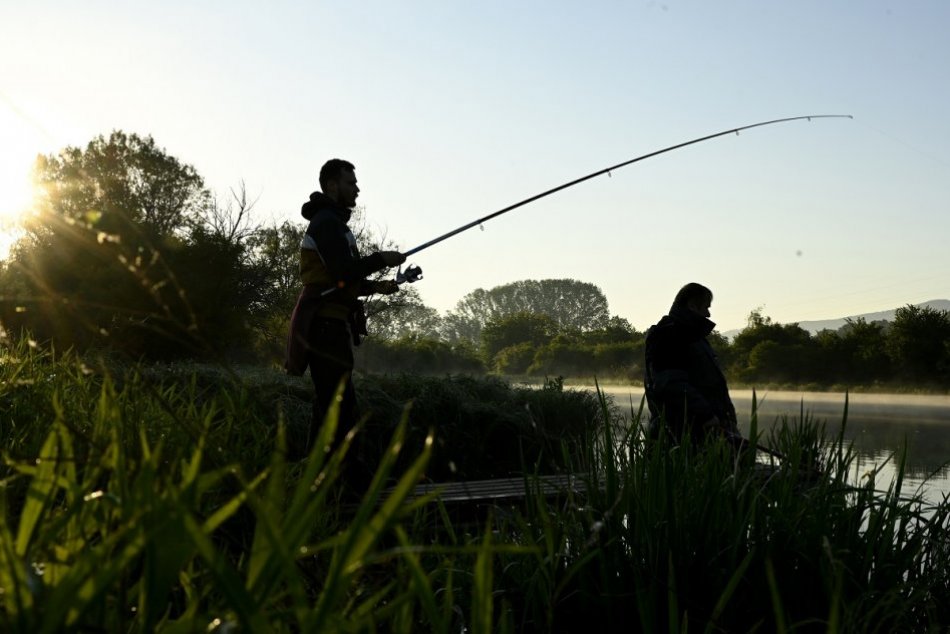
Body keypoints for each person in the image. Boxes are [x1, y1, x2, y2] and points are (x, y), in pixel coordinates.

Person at [285, 158, 406, 456]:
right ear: (332, 185)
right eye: (350, 183)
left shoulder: (335, 224)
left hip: (330, 328)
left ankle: (319, 474)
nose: (357, 189)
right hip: (325, 330)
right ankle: (338, 476)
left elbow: (341, 281)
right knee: (338, 409)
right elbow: (343, 272)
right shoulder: (327, 222)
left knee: (331, 406)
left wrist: (376, 286)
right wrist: (380, 259)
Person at [643, 283, 741, 447]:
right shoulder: (668, 335)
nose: (708, 314)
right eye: (706, 307)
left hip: (708, 433)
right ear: (692, 305)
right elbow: (670, 384)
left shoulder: (695, 337)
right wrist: (706, 416)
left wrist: (727, 422)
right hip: (684, 437)